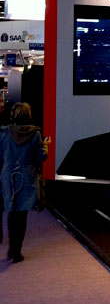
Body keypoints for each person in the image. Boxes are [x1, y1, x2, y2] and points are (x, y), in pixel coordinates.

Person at [0, 102, 49, 263]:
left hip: (8, 176)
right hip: (27, 176)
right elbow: (41, 157)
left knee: (12, 211)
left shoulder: (4, 133)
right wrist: (46, 146)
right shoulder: (35, 135)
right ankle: (17, 251)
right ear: (28, 114)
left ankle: (11, 247)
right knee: (22, 215)